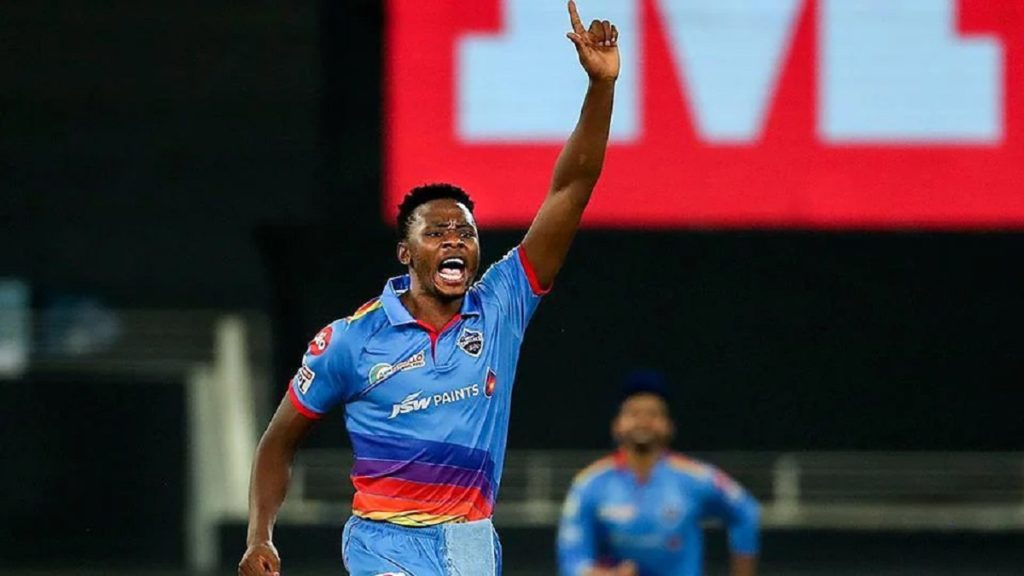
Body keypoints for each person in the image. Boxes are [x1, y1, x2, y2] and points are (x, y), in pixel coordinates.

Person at [238, 2, 619, 574]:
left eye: (465, 232)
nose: (454, 241)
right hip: (383, 542)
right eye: (436, 233)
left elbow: (572, 188)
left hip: (471, 543)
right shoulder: (351, 340)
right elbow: (278, 440)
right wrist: (259, 537)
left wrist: (601, 88)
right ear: (406, 252)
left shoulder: (502, 306)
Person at [557, 372, 761, 576]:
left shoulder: (695, 478)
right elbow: (572, 558)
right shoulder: (590, 483)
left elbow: (746, 512)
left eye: (653, 414)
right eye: (634, 414)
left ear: (669, 426)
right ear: (617, 425)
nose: (643, 421)